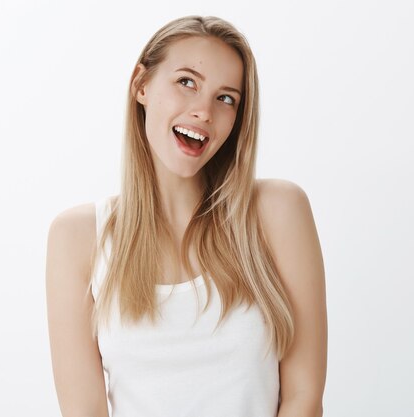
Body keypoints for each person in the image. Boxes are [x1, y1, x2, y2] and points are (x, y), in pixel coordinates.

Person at [46, 15, 327, 417]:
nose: (204, 111)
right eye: (186, 82)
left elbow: (304, 398)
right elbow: (84, 410)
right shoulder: (76, 238)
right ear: (141, 85)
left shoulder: (278, 212)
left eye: (226, 98)